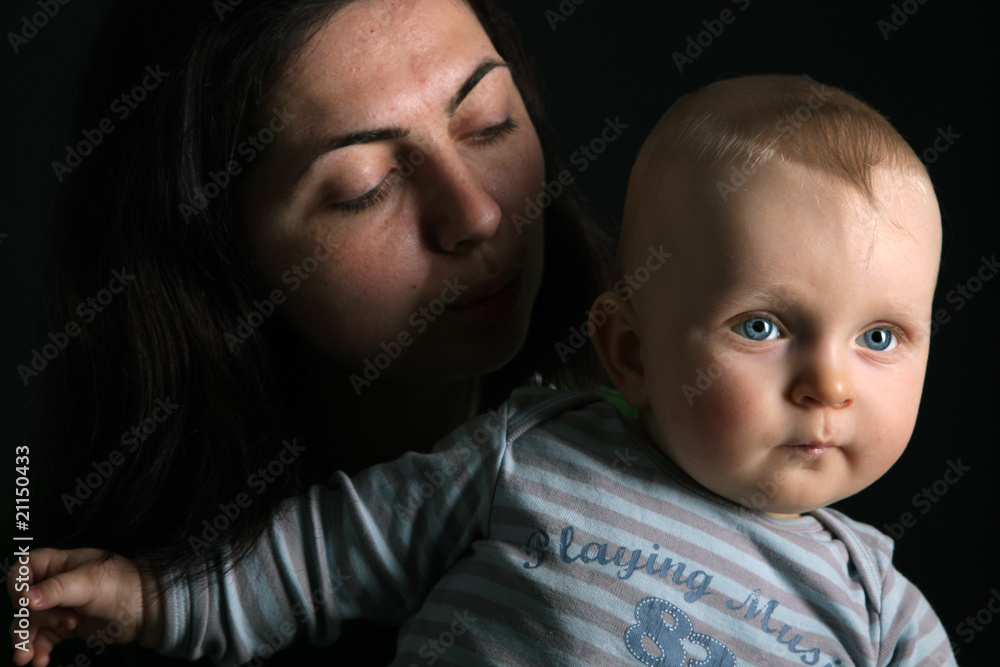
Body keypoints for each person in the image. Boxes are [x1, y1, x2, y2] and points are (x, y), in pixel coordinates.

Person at [13, 75, 956, 666]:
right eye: (761, 325)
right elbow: (320, 556)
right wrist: (145, 596)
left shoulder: (883, 612)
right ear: (629, 349)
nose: (830, 382)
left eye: (880, 338)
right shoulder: (528, 454)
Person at [23, 0, 612, 662]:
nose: (475, 214)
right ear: (217, 258)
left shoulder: (675, 430)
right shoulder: (63, 608)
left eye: (488, 123)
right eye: (363, 188)